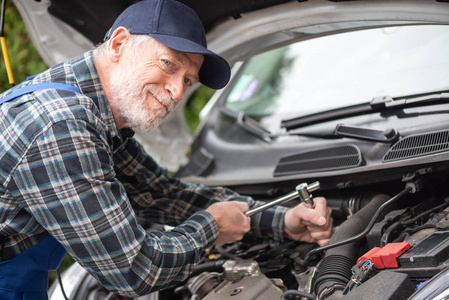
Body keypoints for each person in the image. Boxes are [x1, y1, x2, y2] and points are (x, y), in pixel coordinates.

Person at [0, 0, 333, 298]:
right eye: (169, 64)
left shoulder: (93, 113)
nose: (177, 91)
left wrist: (282, 219)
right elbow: (133, 271)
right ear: (119, 44)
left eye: (188, 80)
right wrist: (211, 226)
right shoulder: (58, 126)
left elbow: (161, 194)